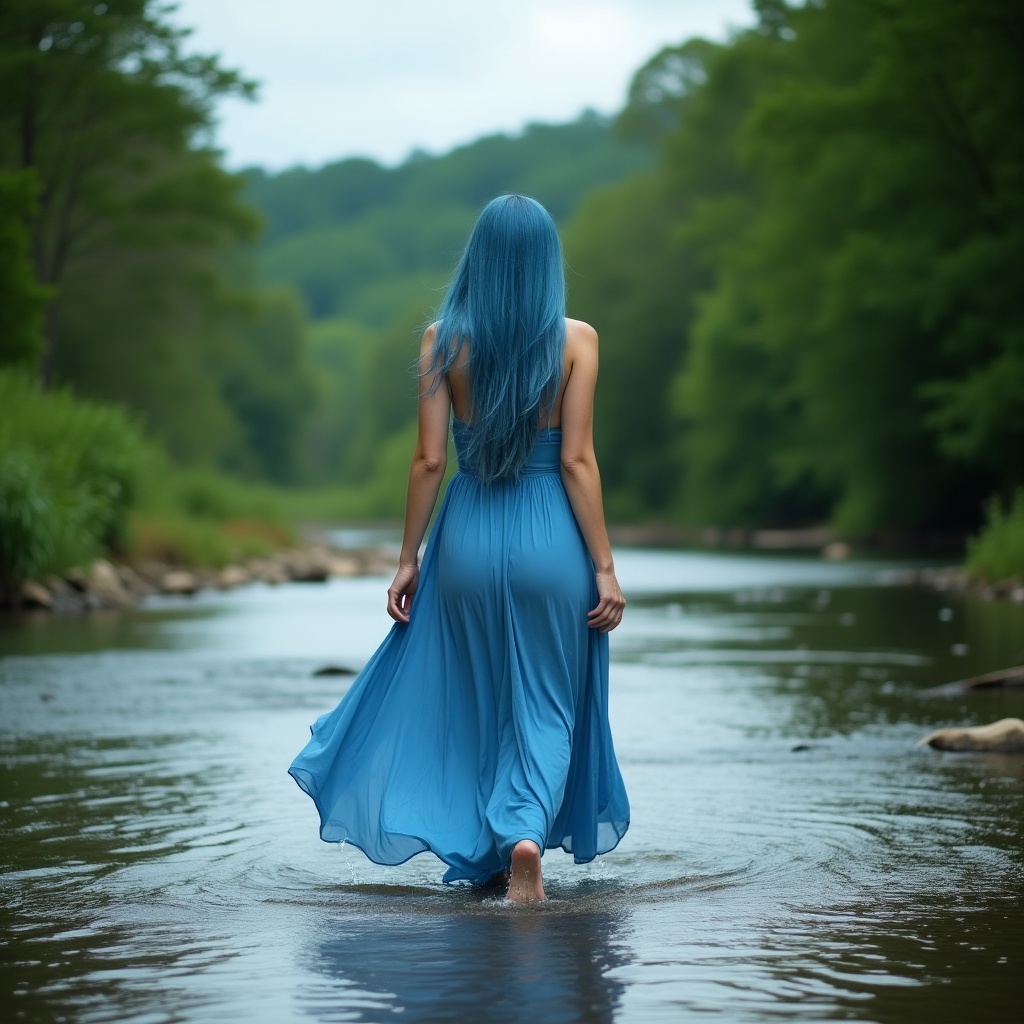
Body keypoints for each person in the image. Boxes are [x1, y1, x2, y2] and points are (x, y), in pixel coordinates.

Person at [289, 194, 629, 902]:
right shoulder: (578, 341)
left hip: (468, 533)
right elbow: (576, 462)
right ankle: (526, 836)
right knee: (545, 702)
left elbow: (427, 462)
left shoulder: (442, 342)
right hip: (551, 541)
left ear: (478, 257)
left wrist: (407, 559)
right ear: (545, 263)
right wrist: (603, 565)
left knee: (476, 696)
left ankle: (497, 854)